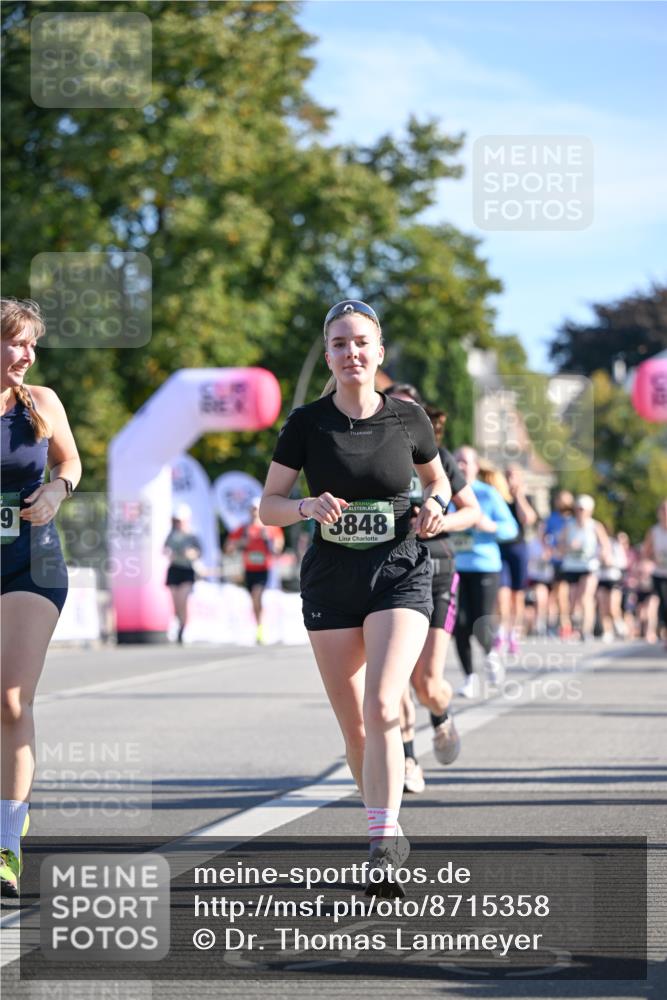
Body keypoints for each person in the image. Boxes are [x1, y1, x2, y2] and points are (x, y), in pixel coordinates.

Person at [259, 299, 452, 895]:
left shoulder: (408, 419)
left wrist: (437, 506)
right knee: (356, 731)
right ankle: (381, 821)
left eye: (361, 342)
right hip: (331, 584)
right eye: (339, 344)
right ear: (329, 354)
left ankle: (383, 839)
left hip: (400, 572)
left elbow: (436, 478)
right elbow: (268, 507)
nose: (351, 353)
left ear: (379, 353)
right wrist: (306, 507)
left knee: (383, 705)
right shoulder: (306, 423)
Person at [1, 298, 81, 897]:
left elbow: (71, 460)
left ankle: (6, 841)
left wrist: (57, 488)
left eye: (31, 344)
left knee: (9, 699)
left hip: (34, 560)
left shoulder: (42, 402)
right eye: (15, 342)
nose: (26, 355)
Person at [386, 391, 480, 795]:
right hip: (389, 571)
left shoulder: (438, 457)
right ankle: (407, 757)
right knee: (395, 680)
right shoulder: (372, 453)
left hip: (438, 570)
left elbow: (473, 511)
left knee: (427, 683)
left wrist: (442, 520)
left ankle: (441, 714)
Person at [452, 447, 519, 698]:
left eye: (465, 462)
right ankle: (469, 678)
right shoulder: (446, 493)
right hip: (455, 566)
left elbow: (511, 529)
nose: (460, 466)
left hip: (484, 566)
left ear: (476, 467)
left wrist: (487, 525)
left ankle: (491, 653)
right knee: (458, 624)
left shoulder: (487, 494)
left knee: (481, 621)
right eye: (456, 461)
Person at [225, 497, 284, 643]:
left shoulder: (270, 528)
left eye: (256, 509)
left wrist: (269, 539)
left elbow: (278, 549)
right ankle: (259, 624)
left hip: (263, 569)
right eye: (251, 509)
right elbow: (228, 548)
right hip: (248, 569)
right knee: (254, 599)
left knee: (257, 595)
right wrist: (240, 543)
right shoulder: (243, 529)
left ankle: (260, 628)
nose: (253, 512)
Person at [557, 494, 610, 641]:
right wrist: (568, 546)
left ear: (589, 511)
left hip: (589, 566)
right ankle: (577, 627)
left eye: (583, 509)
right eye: (578, 509)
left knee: (586, 597)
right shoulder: (569, 525)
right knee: (573, 600)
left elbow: (605, 544)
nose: (580, 512)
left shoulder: (595, 526)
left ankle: (587, 631)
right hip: (572, 567)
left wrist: (603, 555)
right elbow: (560, 546)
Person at [496, 464, 537, 653]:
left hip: (518, 548)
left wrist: (518, 495)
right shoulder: (497, 497)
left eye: (513, 475)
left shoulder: (524, 498)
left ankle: (514, 633)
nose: (510, 479)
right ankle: (501, 631)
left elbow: (528, 518)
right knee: (502, 593)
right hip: (499, 549)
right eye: (507, 475)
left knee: (516, 595)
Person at [164, 504, 201, 644]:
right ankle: (179, 624)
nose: (178, 523)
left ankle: (184, 627)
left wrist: (190, 554)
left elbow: (198, 552)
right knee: (175, 602)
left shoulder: (192, 535)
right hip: (174, 569)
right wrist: (168, 553)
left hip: (187, 571)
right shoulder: (171, 534)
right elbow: (165, 549)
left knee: (182, 600)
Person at [543, 490, 574, 637]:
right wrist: (549, 550)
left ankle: (566, 622)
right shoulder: (552, 519)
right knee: (558, 593)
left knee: (567, 594)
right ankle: (561, 624)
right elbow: (544, 536)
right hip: (557, 561)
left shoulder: (573, 519)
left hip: (573, 561)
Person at [642, 499, 667, 648]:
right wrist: (649, 562)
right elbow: (646, 552)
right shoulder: (654, 531)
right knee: (664, 604)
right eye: (663, 510)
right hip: (659, 573)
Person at [596, 527, 628, 641]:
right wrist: (600, 561)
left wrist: (611, 562)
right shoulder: (596, 546)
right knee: (603, 607)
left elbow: (623, 562)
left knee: (612, 606)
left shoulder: (615, 545)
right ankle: (607, 631)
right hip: (601, 578)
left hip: (613, 578)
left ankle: (619, 623)